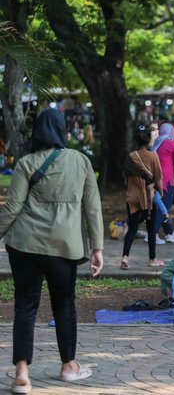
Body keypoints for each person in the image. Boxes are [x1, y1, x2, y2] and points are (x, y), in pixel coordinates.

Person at [0, 108, 104, 393]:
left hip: (24, 245)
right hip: (64, 247)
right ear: (62, 130)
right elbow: (92, 208)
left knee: (25, 306)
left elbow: (12, 210)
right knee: (64, 305)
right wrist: (97, 247)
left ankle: (22, 373)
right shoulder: (81, 161)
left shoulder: (25, 163)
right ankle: (69, 367)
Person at [121, 125, 165, 270]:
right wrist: (160, 193)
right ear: (148, 139)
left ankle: (125, 258)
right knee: (151, 228)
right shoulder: (153, 156)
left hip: (132, 197)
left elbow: (125, 177)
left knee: (132, 228)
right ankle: (152, 259)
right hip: (148, 198)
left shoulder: (130, 156)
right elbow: (158, 178)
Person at [154, 122, 174, 243]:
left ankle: (169, 232)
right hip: (166, 181)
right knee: (164, 208)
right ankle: (154, 233)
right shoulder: (172, 144)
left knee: (160, 206)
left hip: (155, 180)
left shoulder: (156, 144)